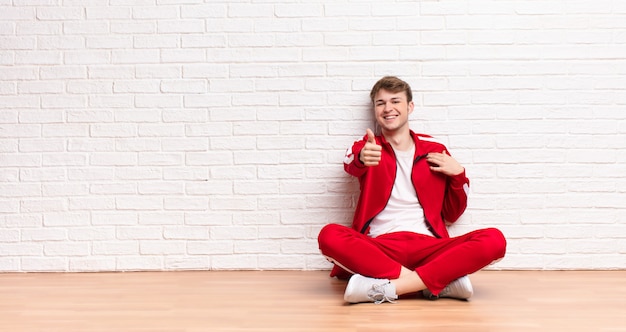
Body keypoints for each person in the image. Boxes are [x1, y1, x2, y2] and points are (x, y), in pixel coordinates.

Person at [318, 76, 506, 304]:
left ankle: (385, 288)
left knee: (494, 240)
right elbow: (351, 163)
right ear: (375, 109)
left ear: (410, 107)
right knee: (329, 236)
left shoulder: (435, 149)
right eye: (381, 103)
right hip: (380, 246)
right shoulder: (368, 146)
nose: (388, 108)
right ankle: (439, 283)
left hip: (430, 247)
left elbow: (452, 214)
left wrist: (458, 176)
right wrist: (361, 158)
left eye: (395, 101)